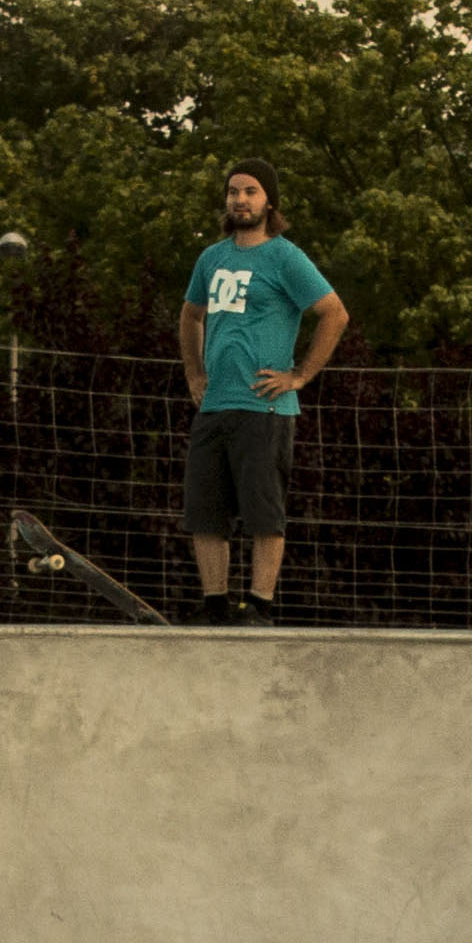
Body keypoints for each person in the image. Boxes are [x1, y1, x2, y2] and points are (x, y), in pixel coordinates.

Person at [175, 162, 343, 623]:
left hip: (265, 407)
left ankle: (259, 607)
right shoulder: (211, 258)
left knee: (264, 514)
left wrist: (301, 375)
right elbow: (191, 315)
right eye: (233, 192)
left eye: (251, 192)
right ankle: (215, 606)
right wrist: (194, 373)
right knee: (205, 515)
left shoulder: (285, 257)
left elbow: (334, 313)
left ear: (269, 201)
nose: (240, 200)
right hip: (214, 405)